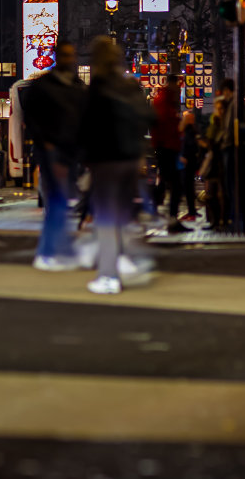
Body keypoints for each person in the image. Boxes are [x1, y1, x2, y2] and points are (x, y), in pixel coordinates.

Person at [81, 35, 156, 295]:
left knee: (106, 217)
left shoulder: (98, 87)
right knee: (122, 213)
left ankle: (108, 275)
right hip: (130, 157)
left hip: (106, 158)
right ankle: (124, 258)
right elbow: (148, 116)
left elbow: (87, 125)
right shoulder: (129, 85)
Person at [21, 42, 85, 270]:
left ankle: (55, 249)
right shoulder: (48, 86)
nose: (70, 59)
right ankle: (50, 251)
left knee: (61, 199)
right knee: (58, 199)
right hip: (53, 149)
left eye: (72, 55)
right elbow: (31, 117)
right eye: (66, 55)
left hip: (68, 150)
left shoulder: (74, 86)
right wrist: (46, 143)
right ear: (58, 57)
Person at [150, 70, 187, 234]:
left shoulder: (162, 101)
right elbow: (164, 127)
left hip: (166, 147)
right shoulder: (165, 102)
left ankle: (161, 210)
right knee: (175, 185)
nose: (179, 90)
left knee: (168, 183)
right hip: (167, 148)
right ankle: (171, 217)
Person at [201, 82, 236, 230]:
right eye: (218, 108)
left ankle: (224, 220)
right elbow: (210, 139)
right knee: (210, 193)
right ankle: (215, 221)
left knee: (224, 192)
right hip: (215, 160)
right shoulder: (215, 122)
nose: (220, 111)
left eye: (222, 109)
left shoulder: (226, 122)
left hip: (222, 159)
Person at [180, 109, 201, 222]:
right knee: (189, 188)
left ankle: (192, 212)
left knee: (188, 187)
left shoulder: (188, 131)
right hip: (190, 162)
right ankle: (192, 211)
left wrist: (184, 156)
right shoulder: (193, 130)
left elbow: (189, 146)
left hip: (187, 162)